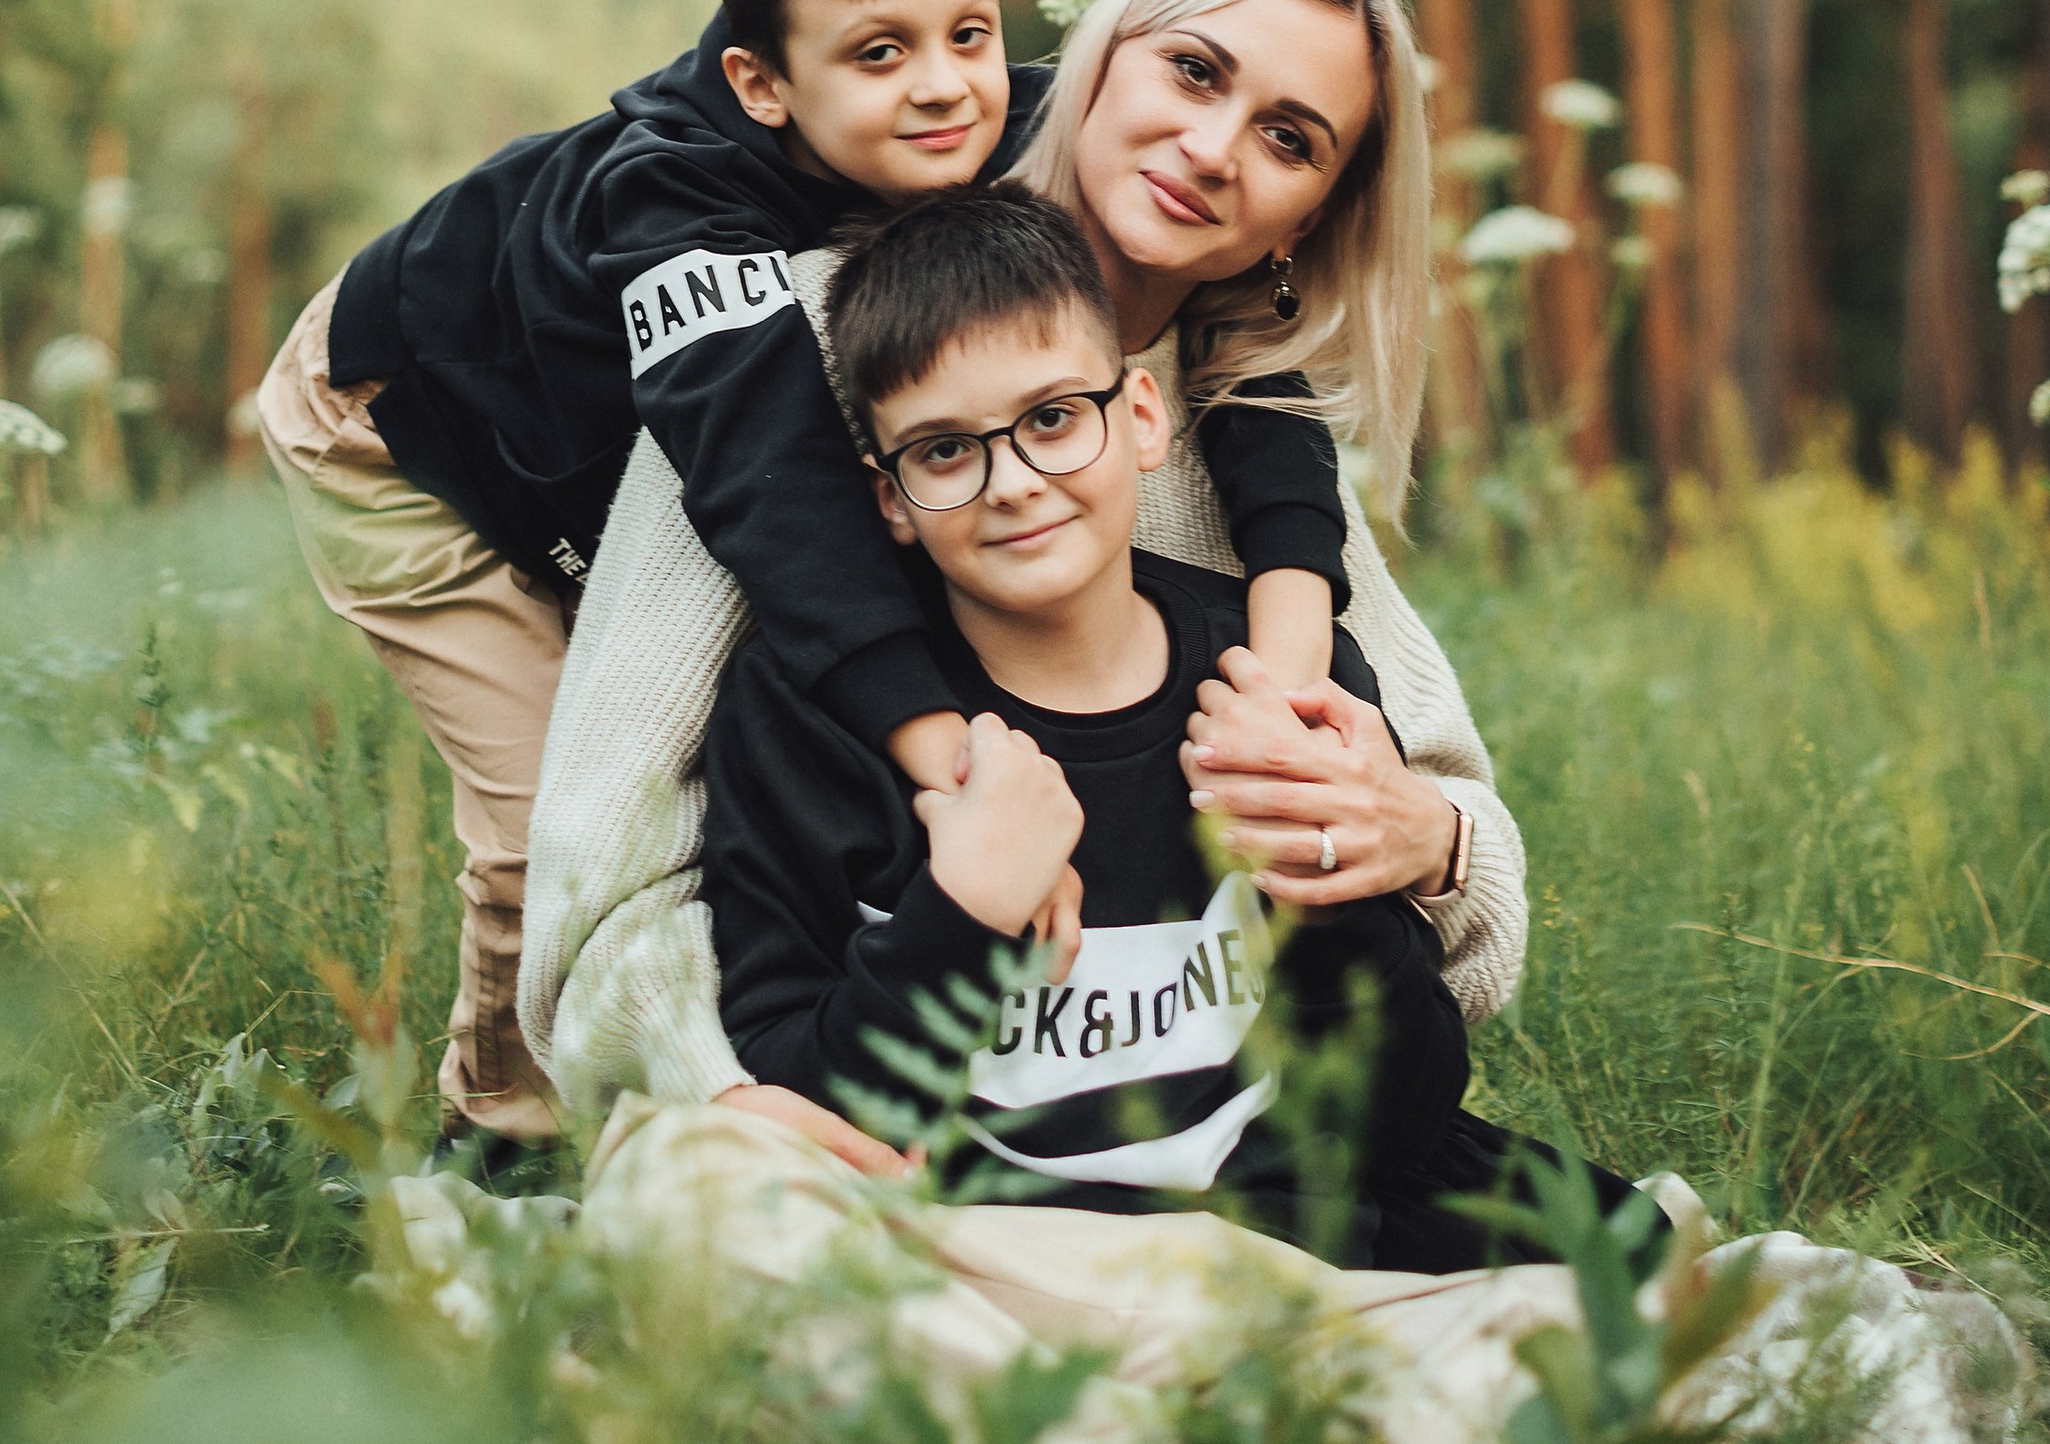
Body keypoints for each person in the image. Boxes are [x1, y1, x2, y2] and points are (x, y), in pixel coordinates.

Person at [259, 0, 1352, 1153]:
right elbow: (772, 479)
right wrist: (949, 762)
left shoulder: (993, 112)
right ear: (761, 82)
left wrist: (1294, 649)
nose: (949, 86)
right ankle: (504, 1131)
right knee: (547, 804)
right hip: (405, 424)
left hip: (592, 430)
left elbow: (1246, 331)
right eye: (880, 52)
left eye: (969, 32)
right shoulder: (670, 198)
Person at [518, 0, 1529, 1181]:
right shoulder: (827, 353)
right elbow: (601, 863)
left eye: (1289, 138)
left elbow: (1458, 856)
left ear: (1310, 217)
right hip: (857, 1123)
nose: (1213, 150)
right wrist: (714, 1084)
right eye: (1194, 70)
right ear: (1099, 56)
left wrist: (1430, 841)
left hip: (1189, 1148)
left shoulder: (1251, 430)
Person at [701, 186, 1639, 1267]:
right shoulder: (811, 714)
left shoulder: (1278, 677)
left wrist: (1323, 902)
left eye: (1053, 418)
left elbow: (1398, 1118)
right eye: (946, 451)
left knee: (1631, 1263)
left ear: (1140, 417)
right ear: (889, 499)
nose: (1012, 483)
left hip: (1276, 1238)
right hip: (976, 1259)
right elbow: (805, 1100)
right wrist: (958, 914)